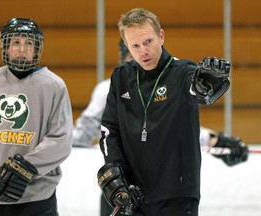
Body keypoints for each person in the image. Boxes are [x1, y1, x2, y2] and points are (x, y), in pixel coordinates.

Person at [73, 39, 248, 216]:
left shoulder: (162, 83)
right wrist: (57, 139)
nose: (139, 57)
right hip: (121, 186)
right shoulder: (111, 87)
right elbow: (86, 130)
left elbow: (169, 128)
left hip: (160, 187)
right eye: (131, 53)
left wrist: (215, 140)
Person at [96, 8, 235, 216]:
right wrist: (116, 170)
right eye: (135, 45)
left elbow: (195, 90)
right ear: (127, 46)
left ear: (161, 36)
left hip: (177, 197)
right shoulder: (121, 78)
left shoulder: (184, 73)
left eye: (148, 42)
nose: (143, 51)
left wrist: (203, 86)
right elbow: (110, 130)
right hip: (133, 194)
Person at [0, 18, 73, 216]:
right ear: (6, 46)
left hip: (36, 199)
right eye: (16, 42)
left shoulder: (53, 85)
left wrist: (27, 167)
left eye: (29, 43)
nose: (22, 49)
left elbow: (61, 140)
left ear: (36, 49)